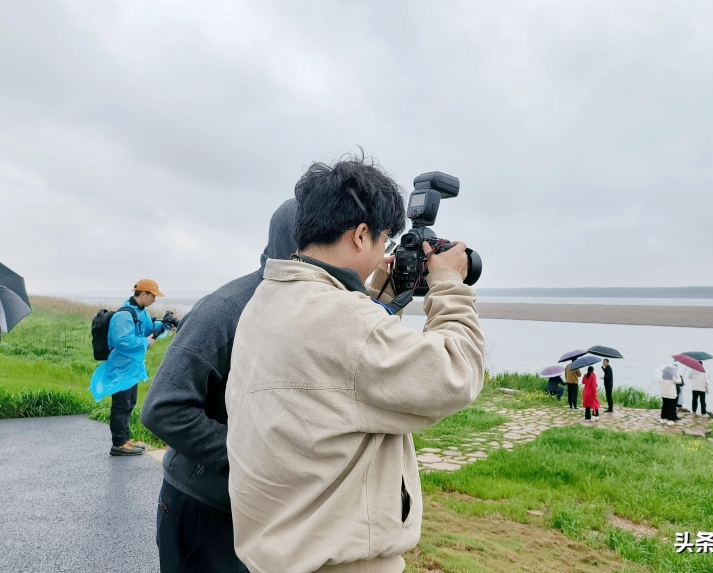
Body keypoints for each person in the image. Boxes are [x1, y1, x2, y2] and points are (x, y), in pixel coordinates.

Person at [225, 156, 486, 573]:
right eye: (384, 240)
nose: (385, 252)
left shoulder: (267, 301)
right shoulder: (344, 321)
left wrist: (375, 303)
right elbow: (457, 375)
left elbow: (334, 377)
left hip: (277, 551)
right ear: (361, 235)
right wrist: (449, 286)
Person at [140, 200, 297, 573]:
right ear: (300, 248)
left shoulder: (299, 307)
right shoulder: (225, 310)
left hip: (258, 509)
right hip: (202, 504)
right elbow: (162, 407)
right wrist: (250, 460)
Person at [89, 279, 165, 456]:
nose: (155, 299)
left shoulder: (141, 312)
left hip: (132, 368)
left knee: (129, 403)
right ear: (143, 294)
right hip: (120, 367)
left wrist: (163, 324)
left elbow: (147, 329)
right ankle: (118, 444)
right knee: (121, 405)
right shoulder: (124, 315)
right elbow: (122, 341)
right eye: (153, 296)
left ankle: (125, 439)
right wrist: (145, 342)